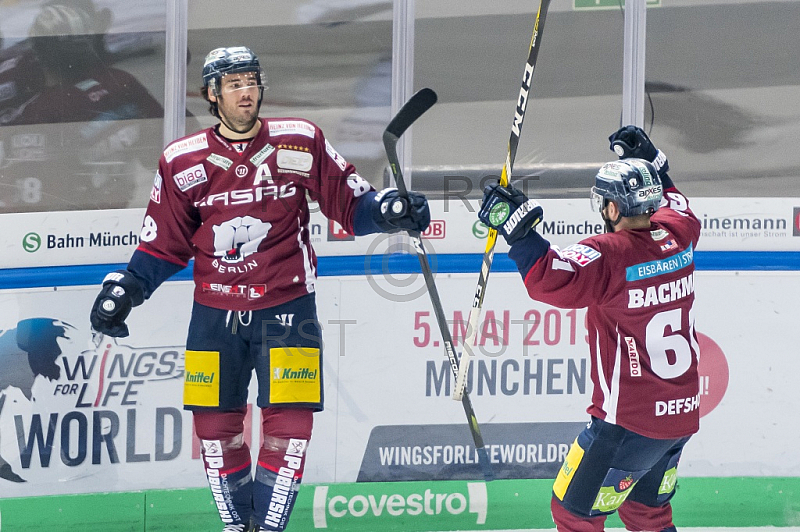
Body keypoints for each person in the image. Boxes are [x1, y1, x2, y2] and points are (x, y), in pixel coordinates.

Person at [89, 46, 430, 532]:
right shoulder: (183, 161)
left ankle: (267, 529)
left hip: (287, 307)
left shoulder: (300, 140)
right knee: (214, 430)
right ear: (212, 94)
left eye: (250, 80)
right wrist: (127, 288)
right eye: (233, 84)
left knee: (290, 429)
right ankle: (237, 527)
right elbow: (164, 244)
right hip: (213, 316)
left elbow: (351, 204)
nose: (245, 91)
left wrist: (390, 210)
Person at [478, 126, 701, 532]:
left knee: (574, 513)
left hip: (626, 426)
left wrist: (515, 228)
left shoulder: (609, 254)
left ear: (612, 209)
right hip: (681, 417)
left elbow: (549, 277)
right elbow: (678, 203)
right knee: (645, 513)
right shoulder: (678, 236)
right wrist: (655, 162)